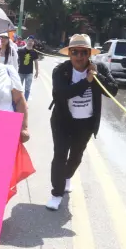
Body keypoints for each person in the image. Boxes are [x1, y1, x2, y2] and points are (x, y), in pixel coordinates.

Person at [46, 34, 118, 210]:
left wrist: (97, 75)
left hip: (85, 123)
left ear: (89, 54)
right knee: (60, 156)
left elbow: (112, 92)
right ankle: (56, 193)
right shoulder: (61, 70)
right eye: (75, 52)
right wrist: (87, 81)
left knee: (76, 156)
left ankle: (67, 177)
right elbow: (62, 93)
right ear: (69, 53)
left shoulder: (98, 67)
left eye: (83, 52)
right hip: (63, 121)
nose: (79, 57)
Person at [17, 36, 39, 101]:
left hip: (29, 73)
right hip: (20, 72)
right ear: (26, 41)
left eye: (32, 41)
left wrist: (37, 71)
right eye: (29, 40)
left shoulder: (34, 52)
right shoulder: (20, 50)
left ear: (33, 43)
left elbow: (36, 62)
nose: (30, 42)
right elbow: (15, 59)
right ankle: (18, 100)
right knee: (18, 87)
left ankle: (25, 101)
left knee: (27, 88)